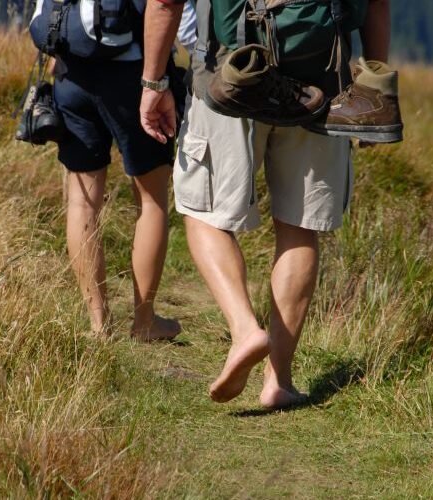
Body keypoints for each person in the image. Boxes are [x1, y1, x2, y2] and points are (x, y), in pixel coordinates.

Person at [141, 0, 392, 408]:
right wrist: (370, 93)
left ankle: (244, 330)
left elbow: (165, 3)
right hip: (322, 82)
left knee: (203, 215)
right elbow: (377, 5)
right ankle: (278, 381)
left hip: (230, 76)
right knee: (299, 226)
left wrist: (153, 85)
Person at [52, 0, 181, 340]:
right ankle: (145, 322)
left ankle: (99, 324)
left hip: (71, 70)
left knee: (82, 202)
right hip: (134, 75)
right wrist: (156, 82)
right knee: (151, 198)